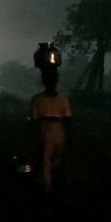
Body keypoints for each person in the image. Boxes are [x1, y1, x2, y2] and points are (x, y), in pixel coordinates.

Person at [29, 64, 72, 193]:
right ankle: (57, 185)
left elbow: (33, 120)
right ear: (56, 81)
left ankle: (47, 187)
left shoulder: (37, 99)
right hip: (59, 131)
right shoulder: (63, 99)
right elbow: (68, 120)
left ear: (43, 81)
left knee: (45, 160)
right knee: (57, 159)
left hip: (44, 131)